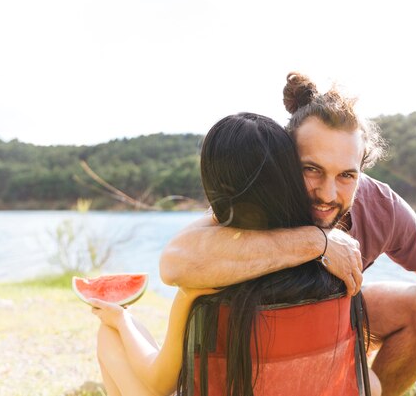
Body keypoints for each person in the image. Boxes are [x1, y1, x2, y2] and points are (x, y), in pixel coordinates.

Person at [160, 73, 416, 396]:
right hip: (257, 341)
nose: (328, 194)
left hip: (338, 323)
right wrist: (317, 243)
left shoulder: (380, 204)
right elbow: (175, 263)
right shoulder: (264, 197)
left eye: (347, 175)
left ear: (362, 168)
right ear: (287, 160)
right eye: (312, 170)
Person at [90, 113, 377, 396]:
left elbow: (158, 383)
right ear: (289, 175)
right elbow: (364, 383)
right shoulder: (338, 268)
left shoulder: (201, 285)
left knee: (109, 337)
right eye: (312, 169)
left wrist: (120, 321)